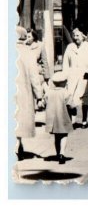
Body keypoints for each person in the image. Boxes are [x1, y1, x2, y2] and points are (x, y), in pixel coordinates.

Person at [15, 26, 44, 161]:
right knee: (19, 119)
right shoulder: (27, 53)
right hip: (22, 93)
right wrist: (39, 96)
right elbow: (34, 76)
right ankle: (18, 144)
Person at [64, 27, 88, 129]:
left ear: (83, 37)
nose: (75, 38)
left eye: (77, 35)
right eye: (74, 36)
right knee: (71, 99)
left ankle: (84, 120)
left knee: (85, 99)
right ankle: (73, 121)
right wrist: (65, 75)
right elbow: (66, 62)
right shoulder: (70, 47)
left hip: (85, 77)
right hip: (72, 76)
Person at [45, 71, 73, 164]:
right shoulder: (66, 92)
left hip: (52, 119)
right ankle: (62, 153)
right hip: (63, 117)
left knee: (56, 137)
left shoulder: (49, 92)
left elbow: (44, 102)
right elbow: (70, 105)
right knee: (64, 135)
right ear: (64, 82)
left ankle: (57, 154)